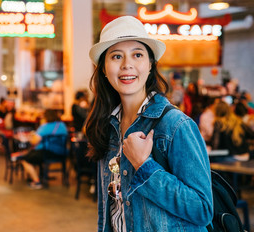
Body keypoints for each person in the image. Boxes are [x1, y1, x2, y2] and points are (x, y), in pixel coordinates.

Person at [85, 16, 213, 232]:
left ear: (150, 64)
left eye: (137, 54)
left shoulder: (175, 125)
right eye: (116, 56)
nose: (127, 65)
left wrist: (144, 166)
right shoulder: (107, 128)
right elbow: (108, 210)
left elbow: (202, 209)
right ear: (104, 70)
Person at [17, 109, 68, 189]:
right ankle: (43, 175)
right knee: (34, 154)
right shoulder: (62, 125)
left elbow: (34, 142)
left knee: (24, 159)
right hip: (61, 153)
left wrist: (31, 136)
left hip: (47, 153)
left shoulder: (45, 127)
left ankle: (36, 181)